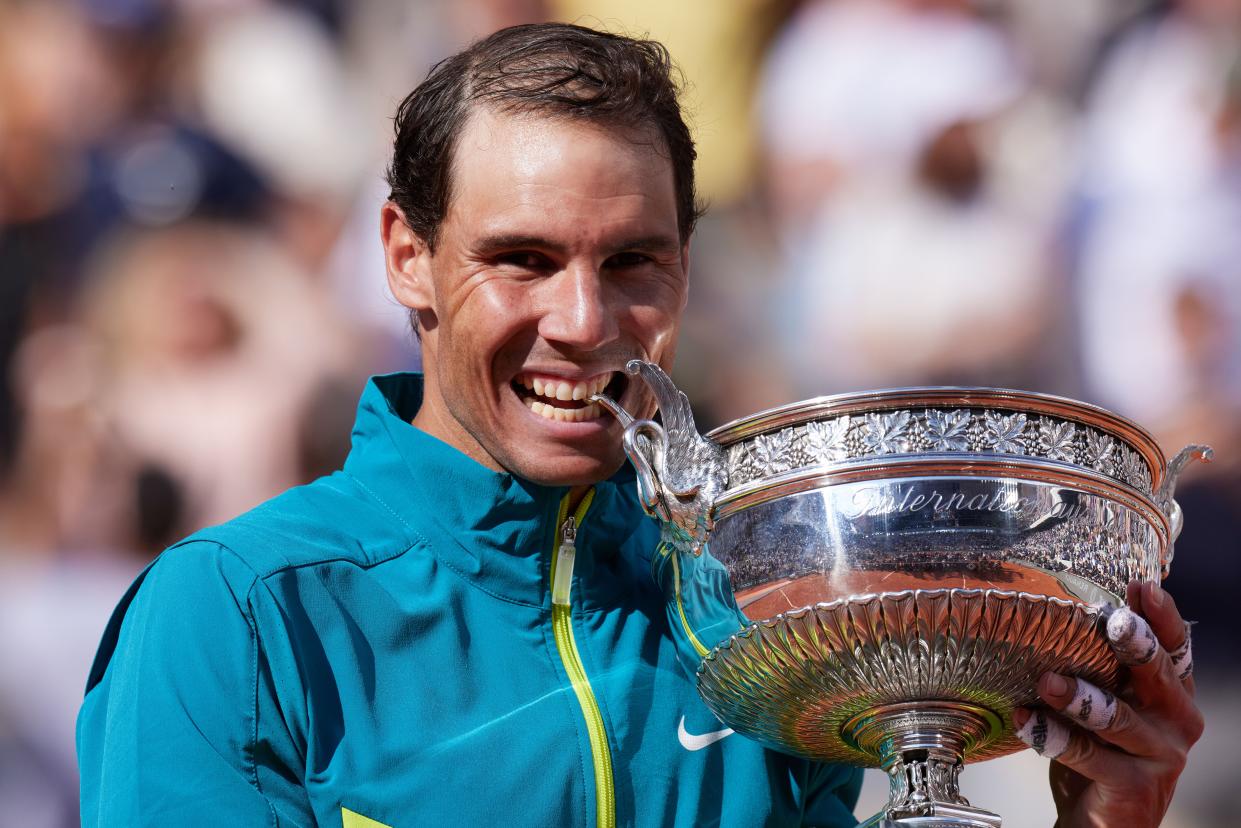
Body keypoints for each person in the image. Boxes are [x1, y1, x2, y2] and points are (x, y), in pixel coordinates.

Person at [77, 23, 1202, 827]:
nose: (583, 322)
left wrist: (1104, 820)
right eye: (520, 260)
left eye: (631, 264)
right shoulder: (233, 615)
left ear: (685, 267)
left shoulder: (764, 608)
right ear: (404, 258)